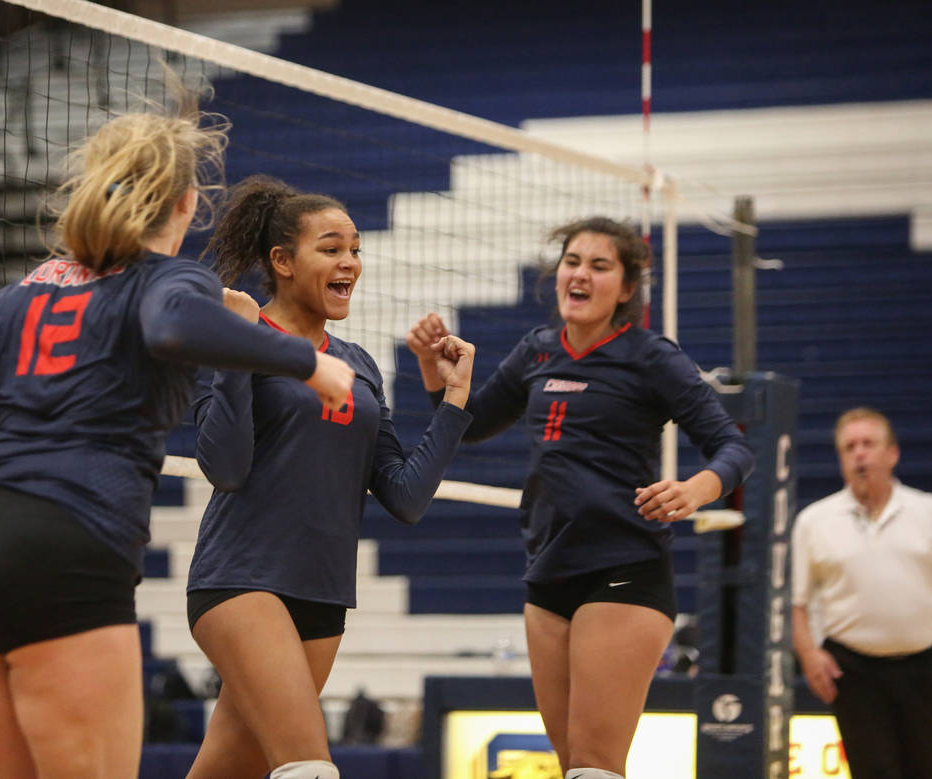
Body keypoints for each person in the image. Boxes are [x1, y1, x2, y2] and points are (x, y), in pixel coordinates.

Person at [0, 103, 355, 779]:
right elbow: (170, 329)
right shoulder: (168, 279)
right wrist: (307, 362)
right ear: (188, 203)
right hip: (64, 542)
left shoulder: (18, 296)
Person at [407, 216, 754, 779]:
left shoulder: (650, 356)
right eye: (573, 262)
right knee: (571, 765)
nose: (581, 274)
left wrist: (696, 489)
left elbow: (732, 448)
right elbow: (468, 427)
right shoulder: (538, 350)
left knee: (594, 766)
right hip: (548, 570)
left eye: (599, 265)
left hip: (624, 567)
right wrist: (435, 369)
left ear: (627, 287)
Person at [185, 175, 476, 779]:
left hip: (322, 595)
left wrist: (453, 402)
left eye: (355, 249)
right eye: (331, 248)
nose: (350, 262)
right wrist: (237, 348)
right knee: (308, 767)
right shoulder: (233, 335)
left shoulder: (358, 363)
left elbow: (405, 497)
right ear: (283, 261)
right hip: (241, 580)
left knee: (226, 770)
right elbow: (227, 468)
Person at [791, 408, 932, 779]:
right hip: (853, 670)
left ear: (892, 454)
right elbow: (796, 602)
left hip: (924, 667)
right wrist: (808, 654)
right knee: (873, 772)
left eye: (868, 444)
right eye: (849, 447)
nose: (859, 454)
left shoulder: (926, 512)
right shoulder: (814, 521)